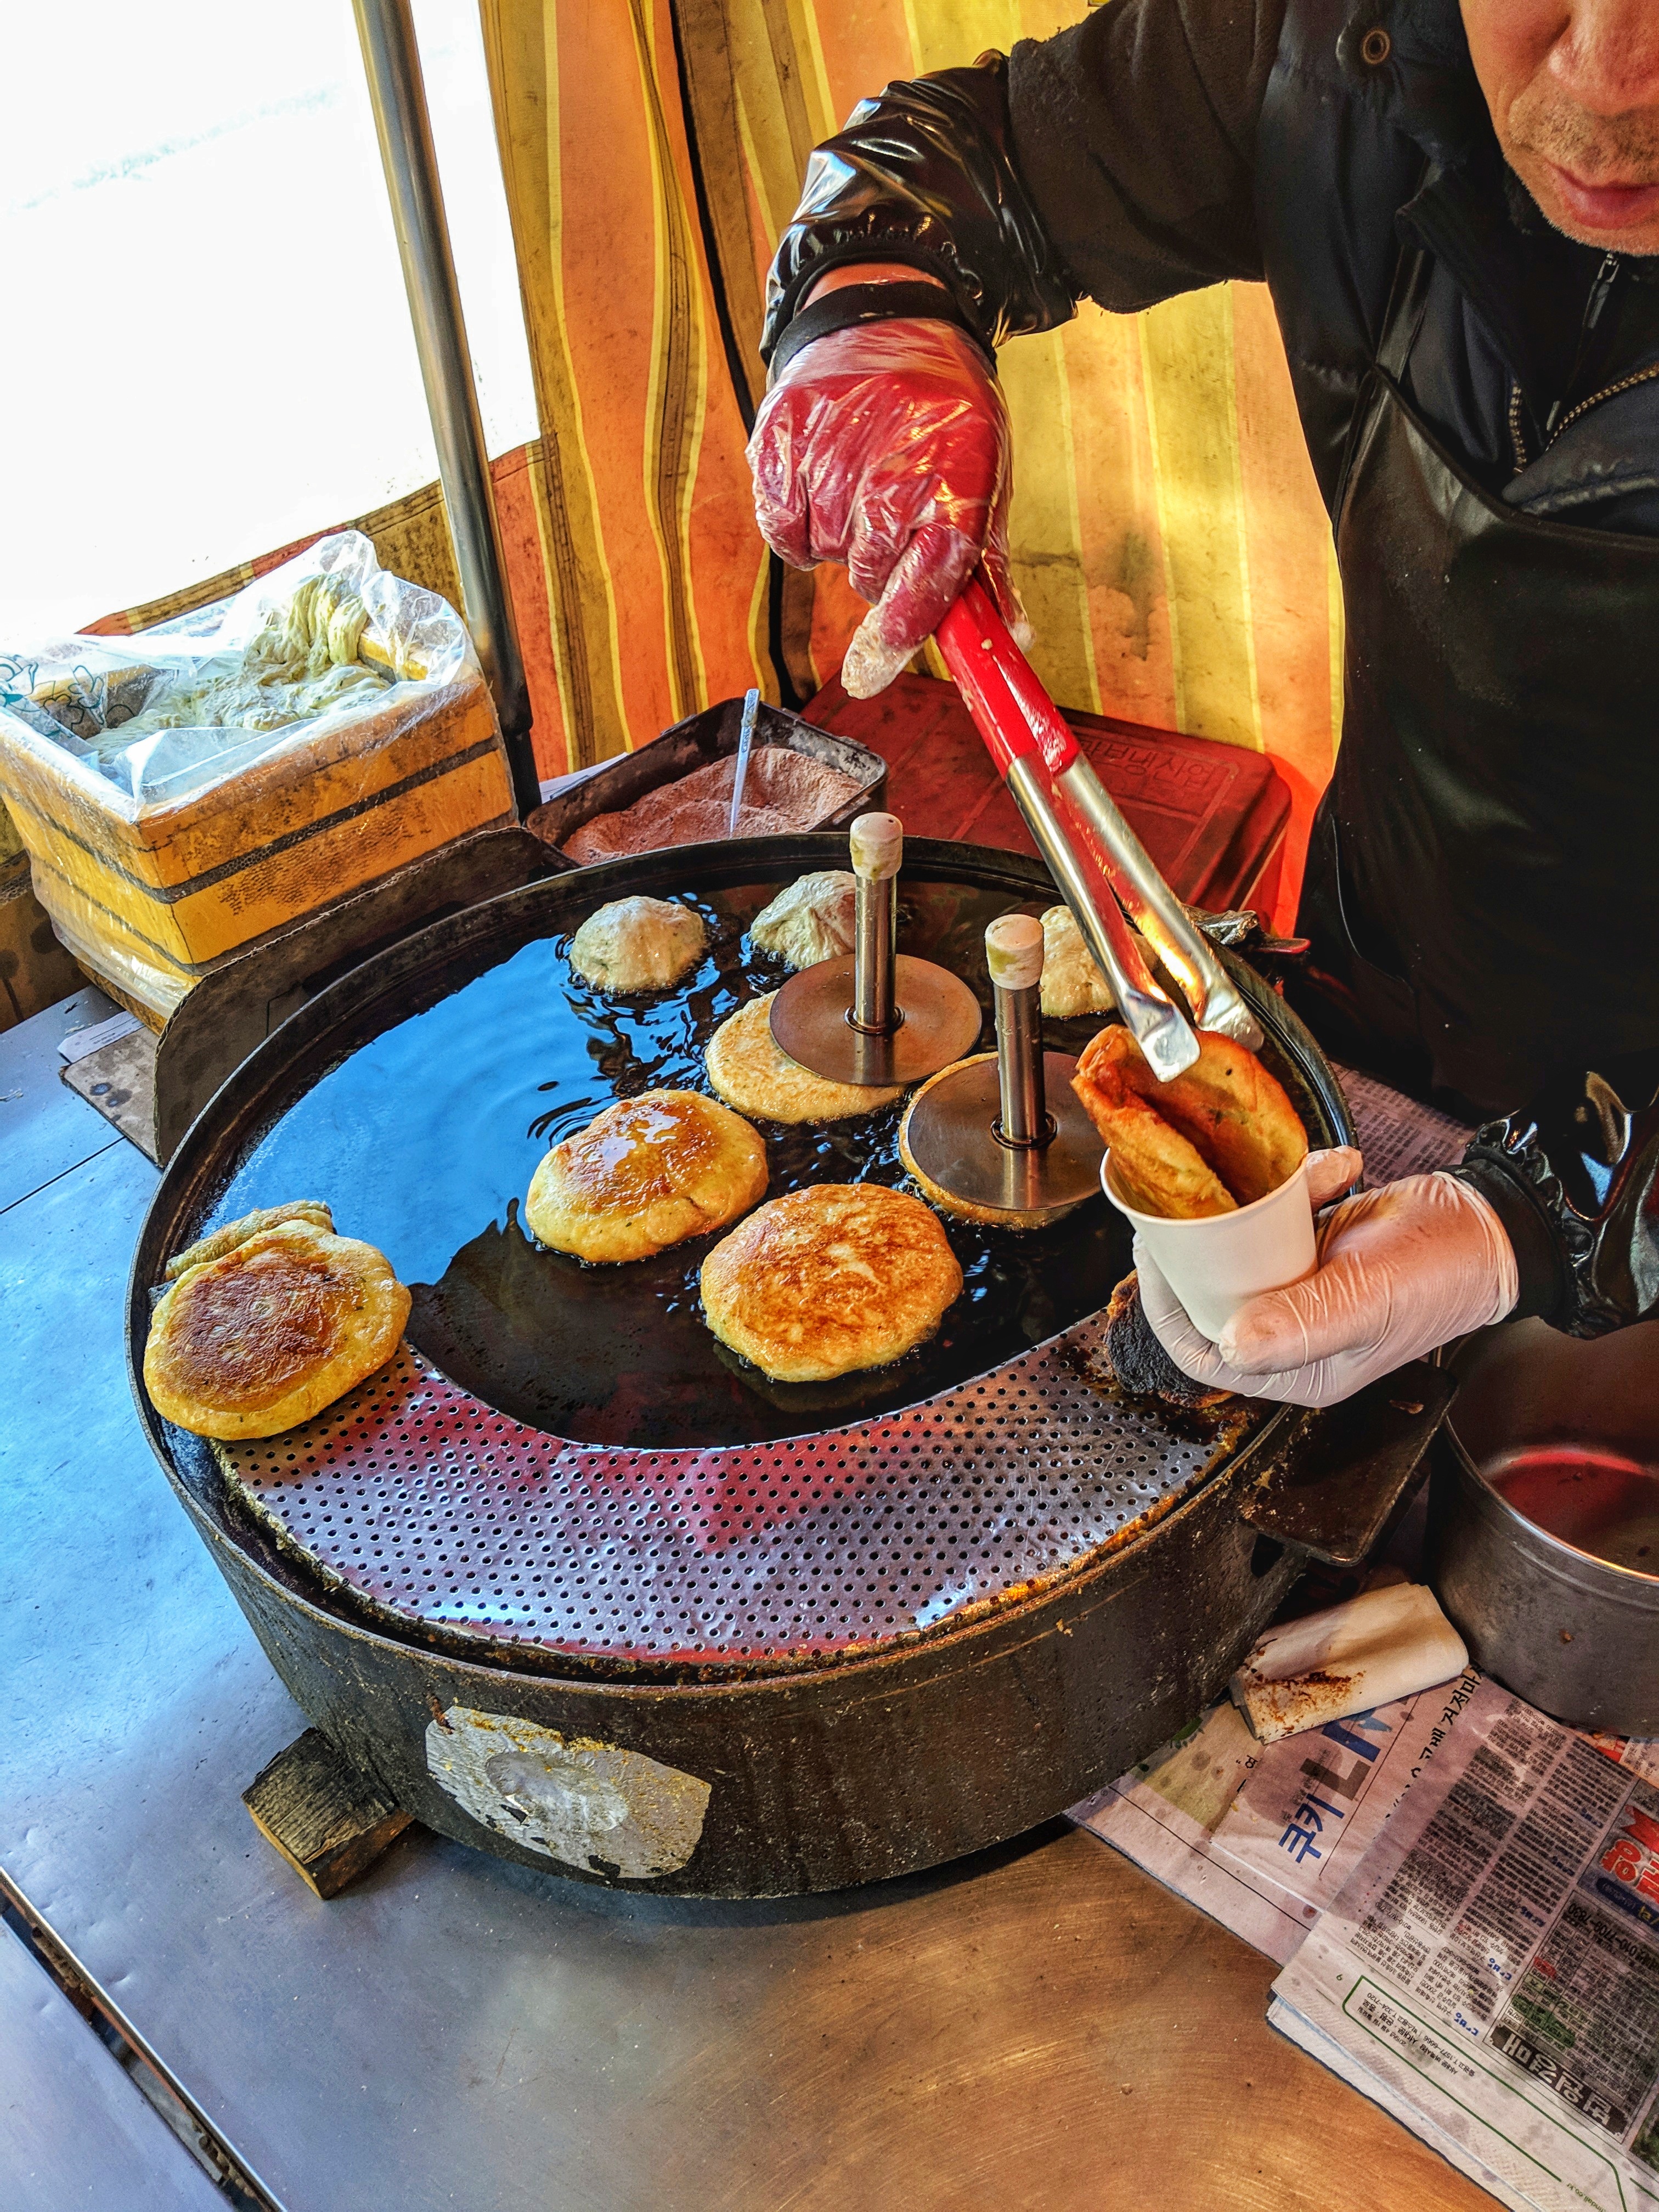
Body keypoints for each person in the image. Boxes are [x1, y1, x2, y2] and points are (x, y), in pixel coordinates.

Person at [744, 0, 1659, 1407]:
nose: (1604, 80)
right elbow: (961, 155)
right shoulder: (1342, 47)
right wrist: (872, 307)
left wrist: (1540, 1219)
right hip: (1381, 1001)